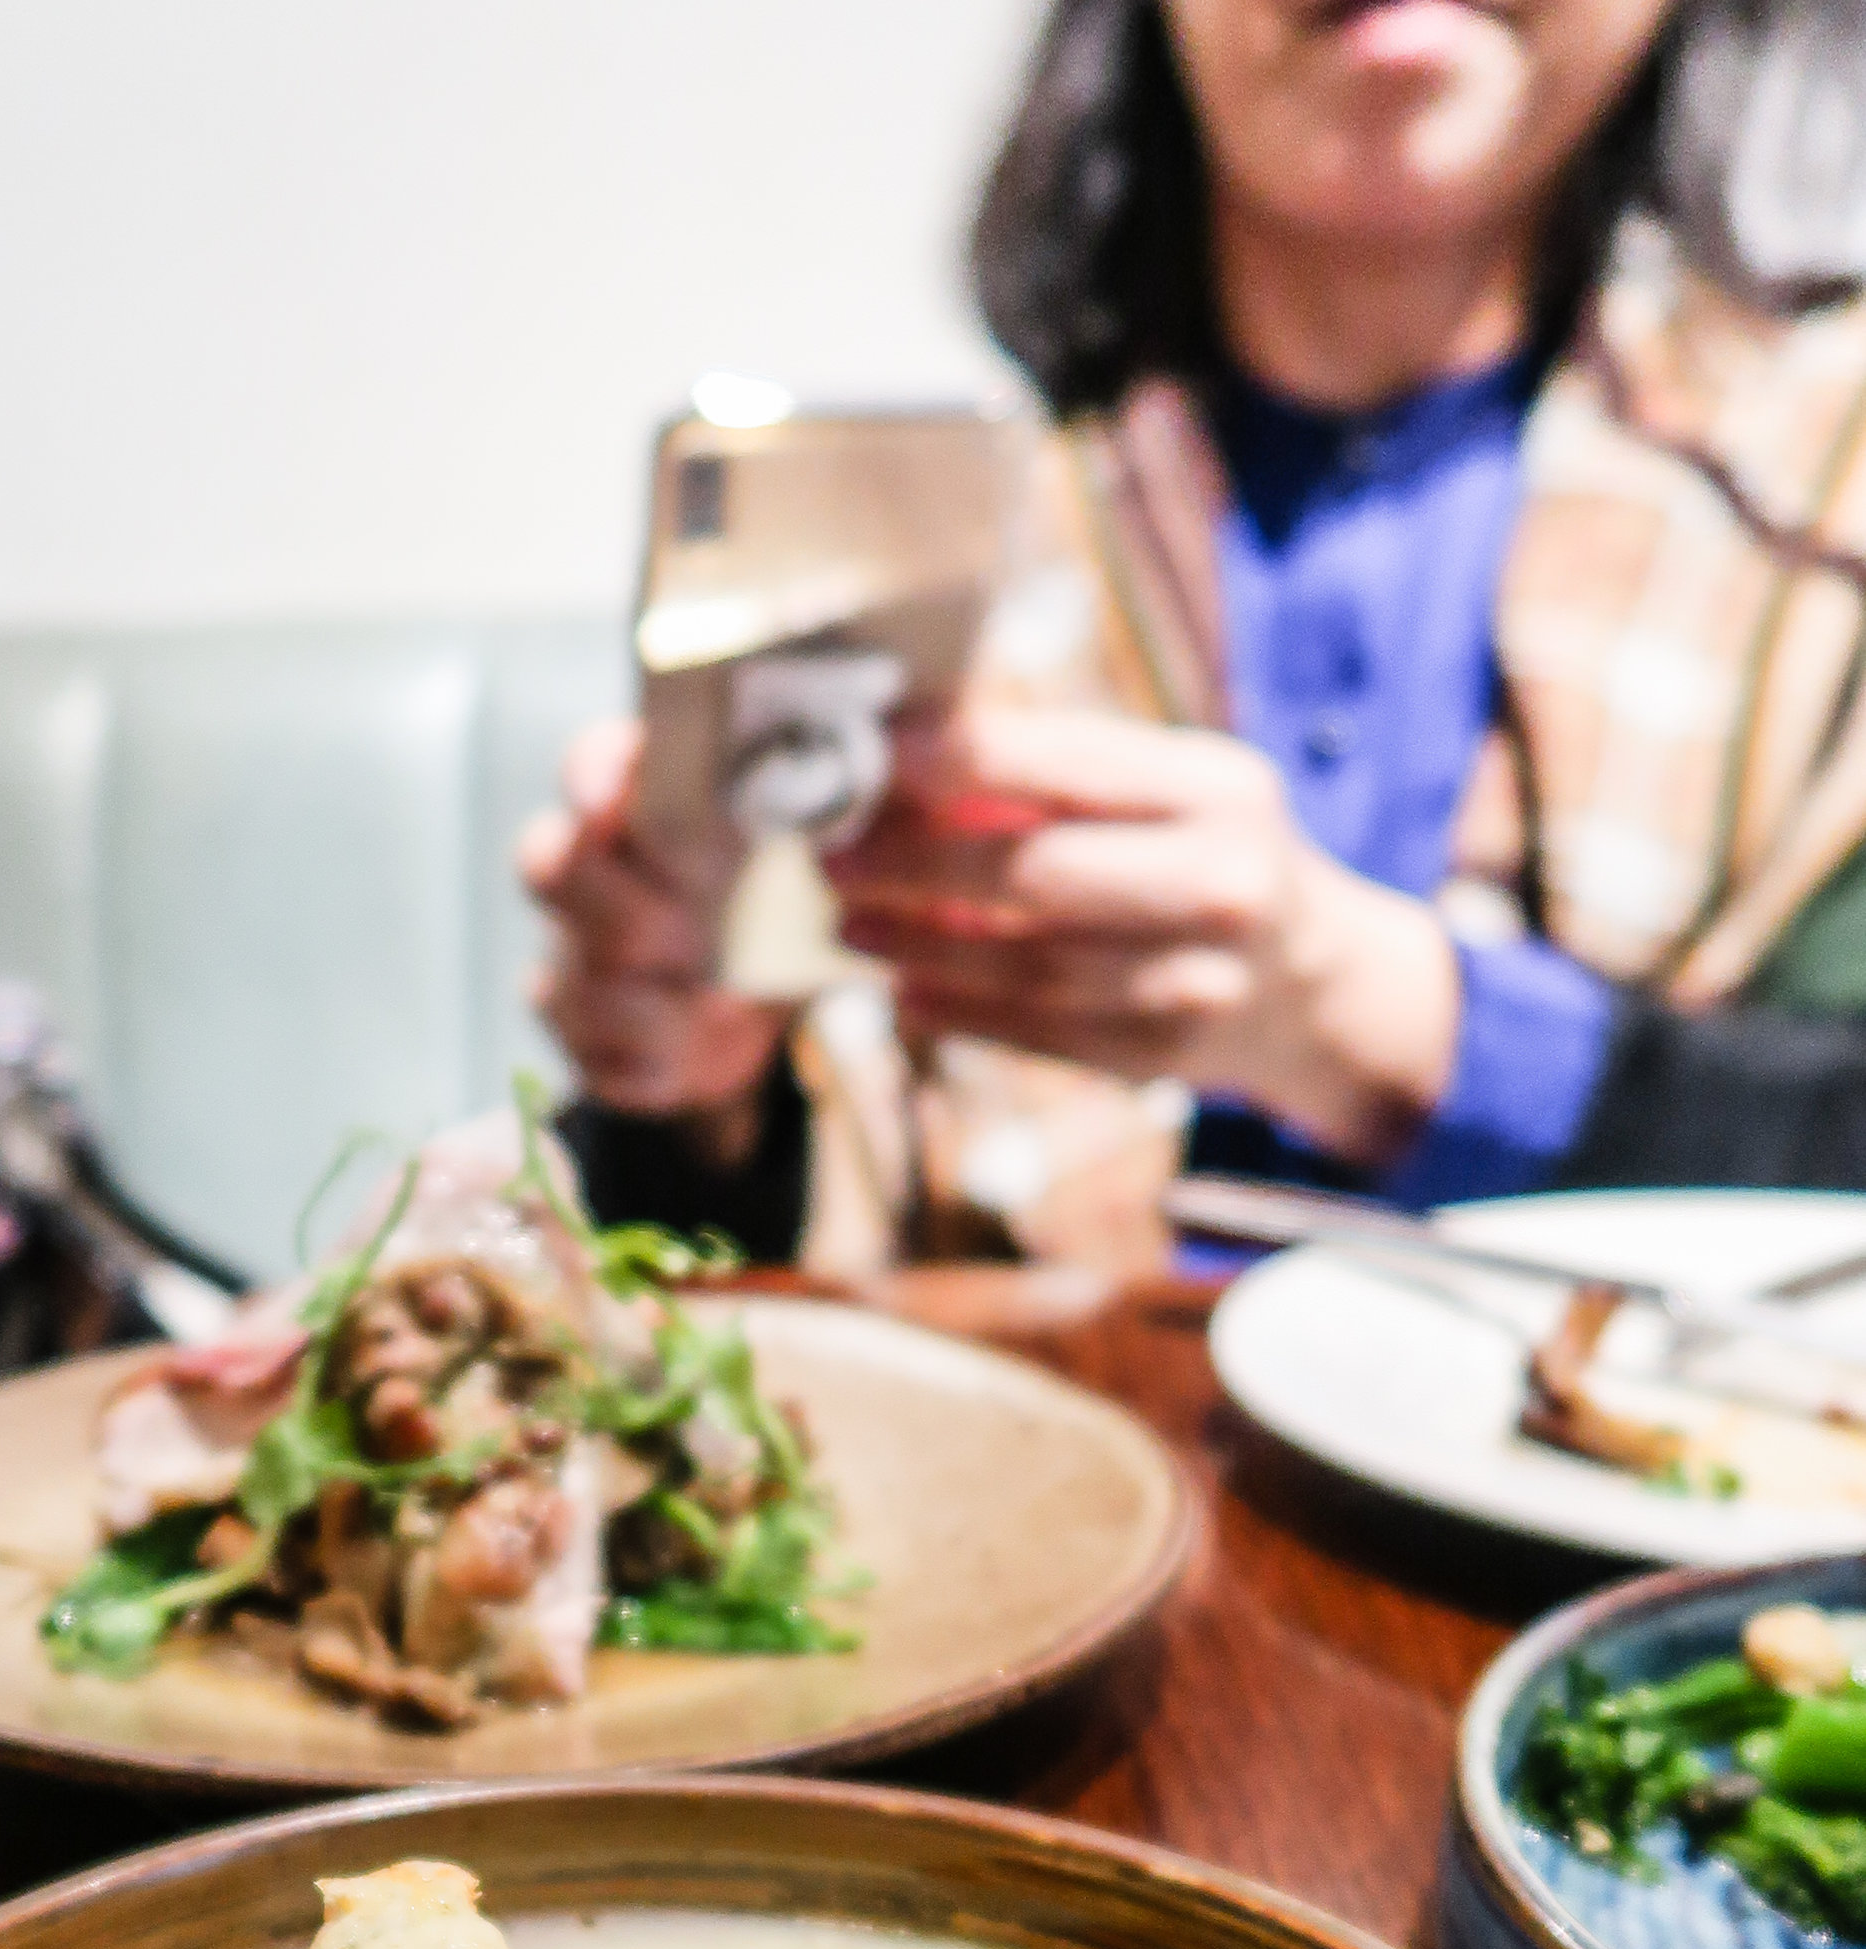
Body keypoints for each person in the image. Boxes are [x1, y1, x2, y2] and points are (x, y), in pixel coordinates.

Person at [524, 0, 1866, 1268]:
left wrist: (1391, 1028)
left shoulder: (1830, 520)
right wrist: (689, 1106)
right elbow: (761, 1300)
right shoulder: (945, 576)